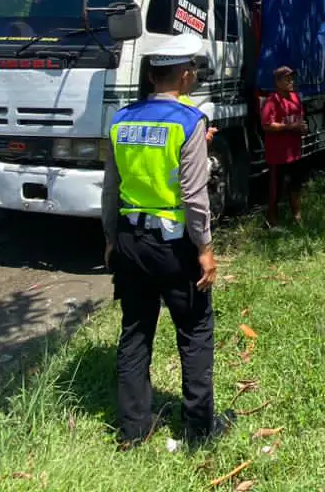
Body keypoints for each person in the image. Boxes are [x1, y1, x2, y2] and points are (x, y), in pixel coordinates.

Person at [101, 33, 232, 449]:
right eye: (192, 70)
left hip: (130, 240)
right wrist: (205, 249)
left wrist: (111, 239)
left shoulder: (121, 120)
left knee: (136, 332)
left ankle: (133, 429)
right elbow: (194, 195)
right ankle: (199, 429)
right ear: (186, 75)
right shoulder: (189, 121)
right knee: (195, 333)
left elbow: (111, 189)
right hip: (174, 247)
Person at [261, 65, 307, 228]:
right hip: (278, 154)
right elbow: (267, 125)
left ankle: (297, 217)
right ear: (278, 82)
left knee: (295, 186)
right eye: (287, 79)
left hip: (294, 152)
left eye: (292, 79)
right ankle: (272, 222)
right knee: (276, 190)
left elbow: (299, 119)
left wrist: (302, 128)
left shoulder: (295, 98)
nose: (291, 82)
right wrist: (289, 127)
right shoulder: (272, 101)